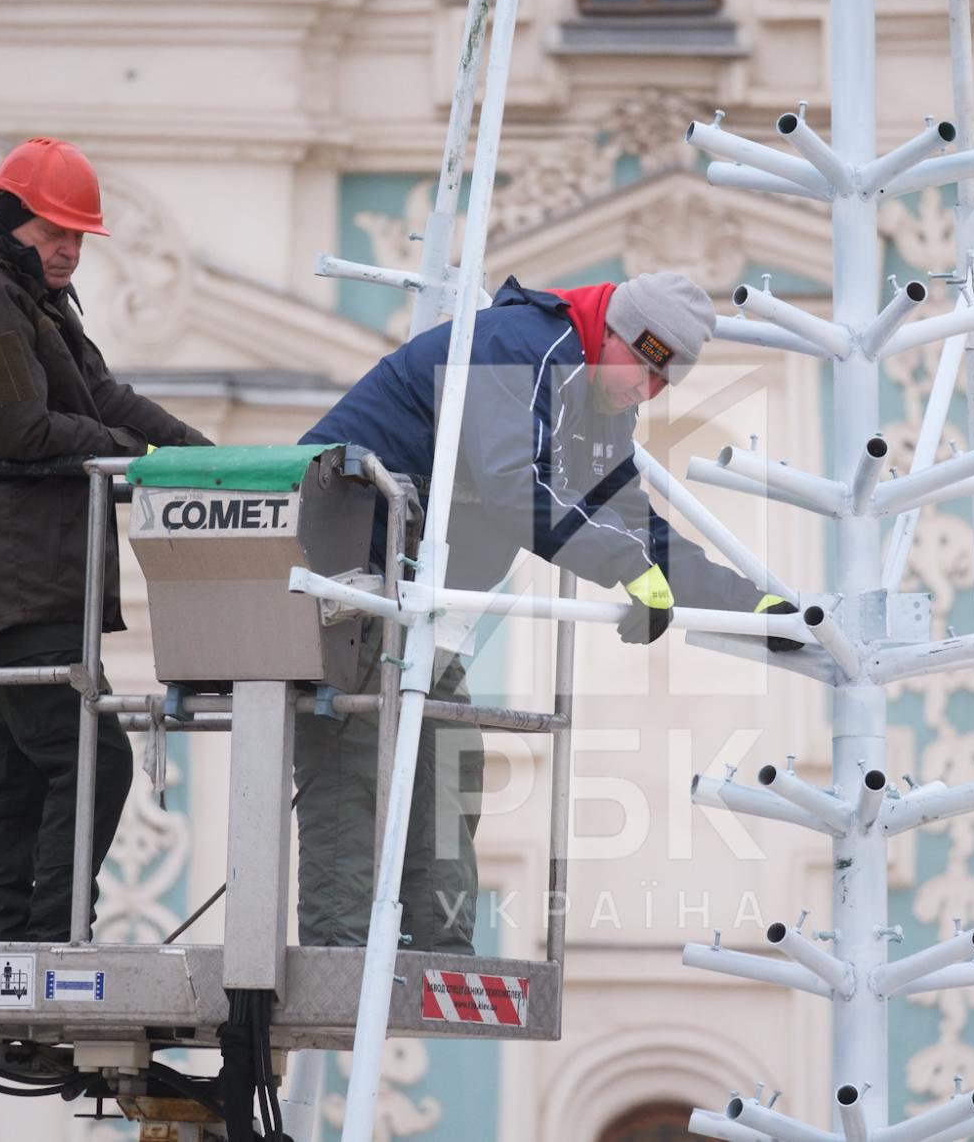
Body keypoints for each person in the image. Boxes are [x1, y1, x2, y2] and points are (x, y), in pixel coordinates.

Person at [296, 270, 799, 952]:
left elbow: (634, 524)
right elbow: (511, 484)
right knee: (353, 759)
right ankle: (342, 955)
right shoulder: (516, 345)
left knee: (452, 757)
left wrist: (750, 607)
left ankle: (440, 949)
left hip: (415, 601)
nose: (644, 392)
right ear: (613, 331)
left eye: (661, 384)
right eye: (643, 368)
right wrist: (627, 570)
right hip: (343, 572)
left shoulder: (595, 398)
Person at [0, 136, 211, 942]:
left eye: (79, 238)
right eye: (55, 234)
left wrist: (205, 459)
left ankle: (11, 937)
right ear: (12, 223)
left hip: (31, 571)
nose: (70, 251)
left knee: (12, 768)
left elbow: (108, 396)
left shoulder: (28, 299)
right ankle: (47, 940)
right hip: (18, 570)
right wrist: (131, 452)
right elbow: (22, 427)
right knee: (94, 757)